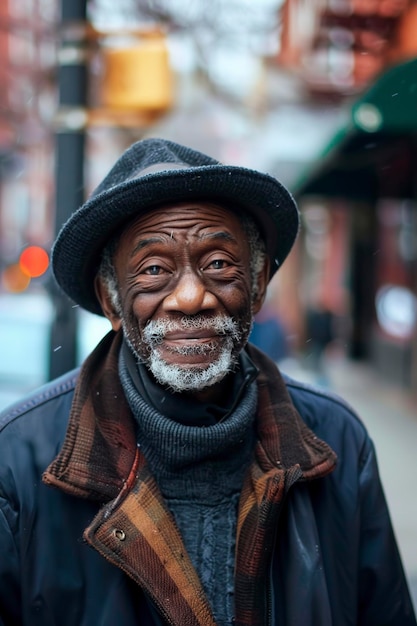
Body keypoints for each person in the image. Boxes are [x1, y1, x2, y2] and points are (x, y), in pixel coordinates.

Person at [0, 138, 415, 626]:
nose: (192, 297)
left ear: (257, 286)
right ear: (112, 302)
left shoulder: (337, 441)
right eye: (154, 270)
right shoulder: (17, 461)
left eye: (218, 263)